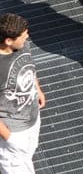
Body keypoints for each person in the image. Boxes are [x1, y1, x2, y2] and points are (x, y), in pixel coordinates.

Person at [0, 13, 45, 174]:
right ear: (8, 41)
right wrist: (9, 138)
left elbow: (28, 66)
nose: (27, 38)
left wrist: (37, 88)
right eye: (23, 37)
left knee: (27, 155)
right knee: (15, 166)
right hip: (13, 131)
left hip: (32, 119)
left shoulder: (21, 44)